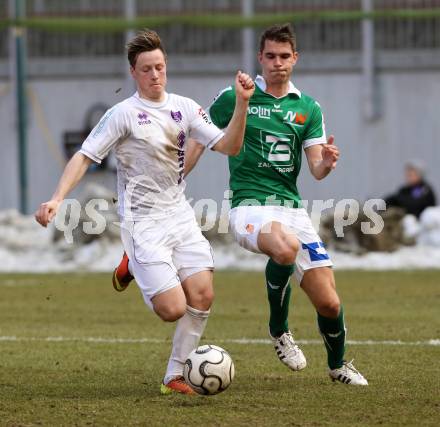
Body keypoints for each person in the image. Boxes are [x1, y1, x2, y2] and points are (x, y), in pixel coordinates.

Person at [35, 29, 255, 395]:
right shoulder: (123, 114)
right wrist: (58, 198)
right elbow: (85, 156)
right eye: (147, 69)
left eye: (160, 67)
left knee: (202, 296)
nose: (156, 74)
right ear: (133, 73)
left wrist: (243, 103)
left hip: (179, 215)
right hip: (143, 223)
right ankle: (133, 263)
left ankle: (175, 374)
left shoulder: (186, 108)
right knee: (172, 309)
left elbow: (230, 146)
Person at [207, 23, 367, 385]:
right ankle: (279, 329)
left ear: (295, 59)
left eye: (284, 56)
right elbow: (199, 132)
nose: (277, 63)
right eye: (270, 56)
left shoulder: (308, 108)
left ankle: (338, 364)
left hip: (291, 210)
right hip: (248, 206)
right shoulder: (236, 96)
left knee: (329, 303)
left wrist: (326, 162)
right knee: (284, 246)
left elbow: (316, 169)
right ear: (260, 59)